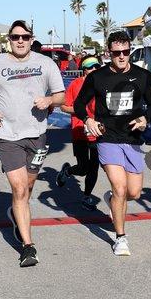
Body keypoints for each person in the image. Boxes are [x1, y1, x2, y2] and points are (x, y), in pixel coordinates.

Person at [0, 19, 65, 268]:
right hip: (7, 134)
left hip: (37, 134)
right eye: (15, 37)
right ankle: (28, 247)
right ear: (9, 39)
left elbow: (60, 95)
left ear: (31, 39)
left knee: (27, 187)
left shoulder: (45, 63)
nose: (20, 41)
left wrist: (49, 101)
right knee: (18, 189)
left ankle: (16, 215)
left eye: (25, 37)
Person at [74, 31, 151, 256]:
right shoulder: (97, 77)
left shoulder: (142, 76)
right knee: (120, 187)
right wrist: (88, 120)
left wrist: (145, 119)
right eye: (116, 53)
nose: (121, 56)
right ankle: (120, 238)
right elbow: (79, 104)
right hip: (107, 139)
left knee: (134, 193)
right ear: (108, 53)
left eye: (125, 52)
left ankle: (112, 200)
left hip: (133, 140)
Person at [56, 56, 101, 210]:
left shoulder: (103, 83)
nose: (94, 69)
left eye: (97, 66)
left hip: (97, 132)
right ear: (84, 69)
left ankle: (86, 196)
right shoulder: (75, 84)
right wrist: (80, 110)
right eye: (90, 67)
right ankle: (68, 171)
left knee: (94, 167)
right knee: (83, 169)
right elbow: (63, 106)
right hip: (79, 131)